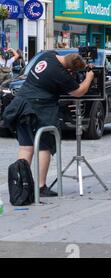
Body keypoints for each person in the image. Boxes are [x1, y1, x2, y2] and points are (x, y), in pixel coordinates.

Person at [8, 52, 94, 197]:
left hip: (21, 104)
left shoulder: (48, 55)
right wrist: (89, 77)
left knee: (26, 146)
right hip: (39, 109)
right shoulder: (60, 74)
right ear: (70, 70)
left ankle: (23, 184)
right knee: (44, 146)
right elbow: (79, 92)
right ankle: (41, 187)